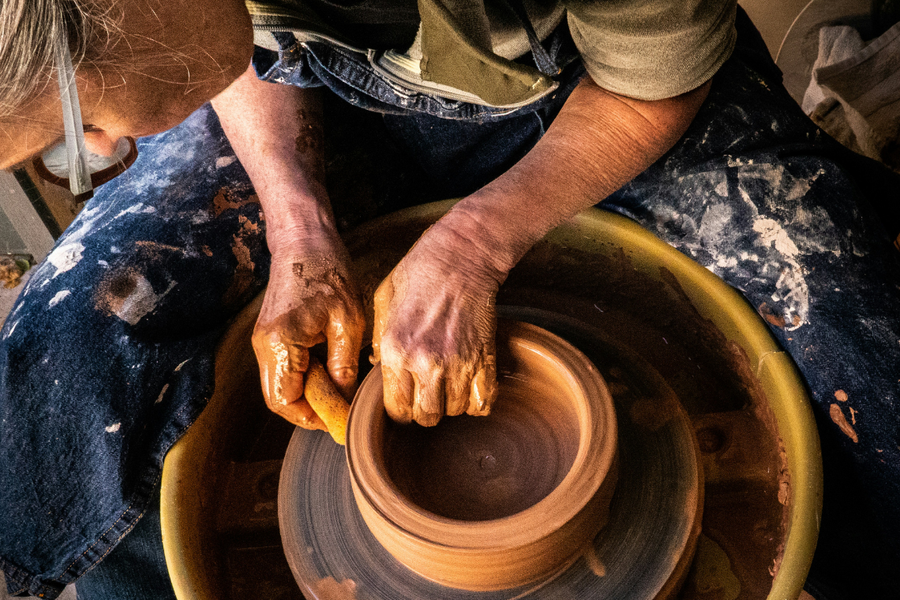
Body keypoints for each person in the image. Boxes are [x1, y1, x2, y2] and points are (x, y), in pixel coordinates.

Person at [0, 0, 898, 598]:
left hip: (605, 96)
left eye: (75, 131)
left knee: (869, 370)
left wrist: (472, 244)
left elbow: (651, 75)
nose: (109, 148)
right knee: (62, 368)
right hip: (310, 101)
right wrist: (298, 227)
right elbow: (228, 48)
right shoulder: (163, 22)